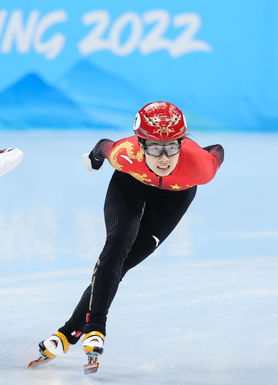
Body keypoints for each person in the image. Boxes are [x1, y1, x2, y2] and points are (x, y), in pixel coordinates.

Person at [30, 101, 224, 373]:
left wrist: (198, 152)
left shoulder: (201, 167)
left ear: (182, 141)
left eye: (172, 147)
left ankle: (69, 331)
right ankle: (96, 326)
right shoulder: (124, 153)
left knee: (127, 261)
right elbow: (103, 145)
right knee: (117, 245)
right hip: (131, 183)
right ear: (140, 143)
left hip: (176, 194)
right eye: (155, 148)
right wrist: (96, 159)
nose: (164, 158)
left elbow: (217, 151)